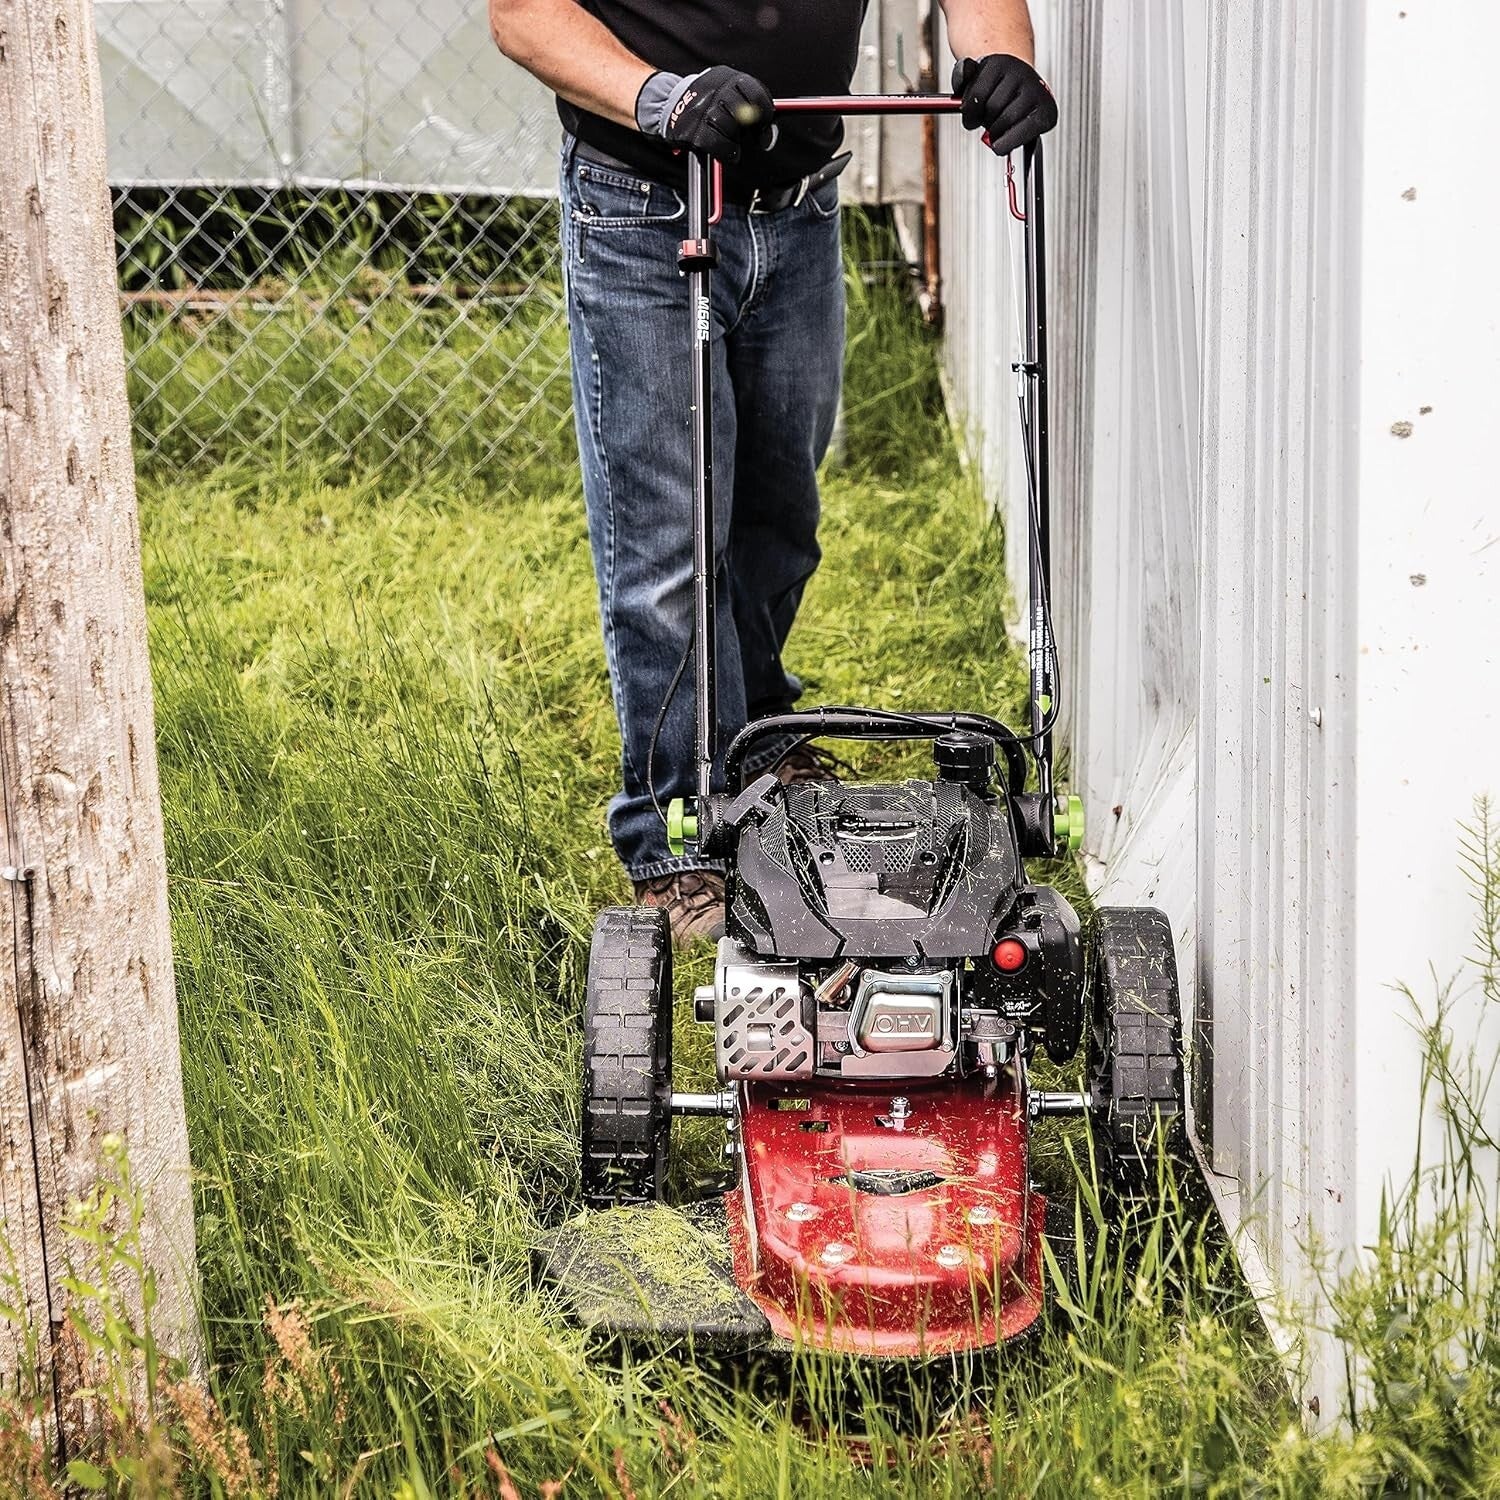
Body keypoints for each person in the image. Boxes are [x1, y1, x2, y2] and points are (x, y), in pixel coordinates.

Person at [490, 0, 1057, 945]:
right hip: (645, 202)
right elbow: (524, 15)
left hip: (796, 211)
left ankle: (753, 752)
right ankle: (679, 838)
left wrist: (1000, 60)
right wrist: (662, 98)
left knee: (778, 520)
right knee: (670, 543)